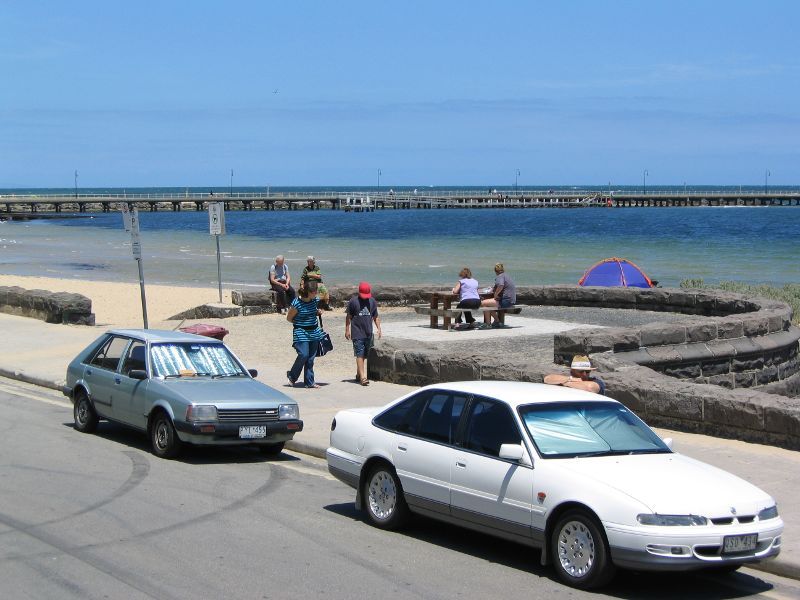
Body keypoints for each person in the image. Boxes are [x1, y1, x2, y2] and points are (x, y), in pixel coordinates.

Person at [286, 280, 323, 389]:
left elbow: (315, 311)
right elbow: (289, 318)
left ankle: (309, 382)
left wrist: (318, 312)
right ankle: (292, 376)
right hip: (300, 331)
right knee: (304, 354)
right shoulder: (296, 302)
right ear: (308, 292)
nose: (316, 293)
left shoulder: (315, 301)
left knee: (311, 359)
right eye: (314, 292)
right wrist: (301, 324)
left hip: (314, 332)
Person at [345, 281, 382, 386]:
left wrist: (379, 328)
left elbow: (375, 316)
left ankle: (358, 374)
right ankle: (363, 377)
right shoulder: (353, 301)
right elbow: (348, 317)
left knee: (364, 355)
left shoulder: (372, 301)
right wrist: (347, 330)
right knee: (359, 353)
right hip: (357, 333)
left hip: (368, 332)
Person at [480, 262, 516, 327]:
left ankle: (489, 323)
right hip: (511, 300)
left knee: (483, 303)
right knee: (487, 305)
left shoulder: (500, 276)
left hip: (506, 300)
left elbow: (501, 285)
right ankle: (495, 321)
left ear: (496, 271)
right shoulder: (506, 276)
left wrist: (496, 294)